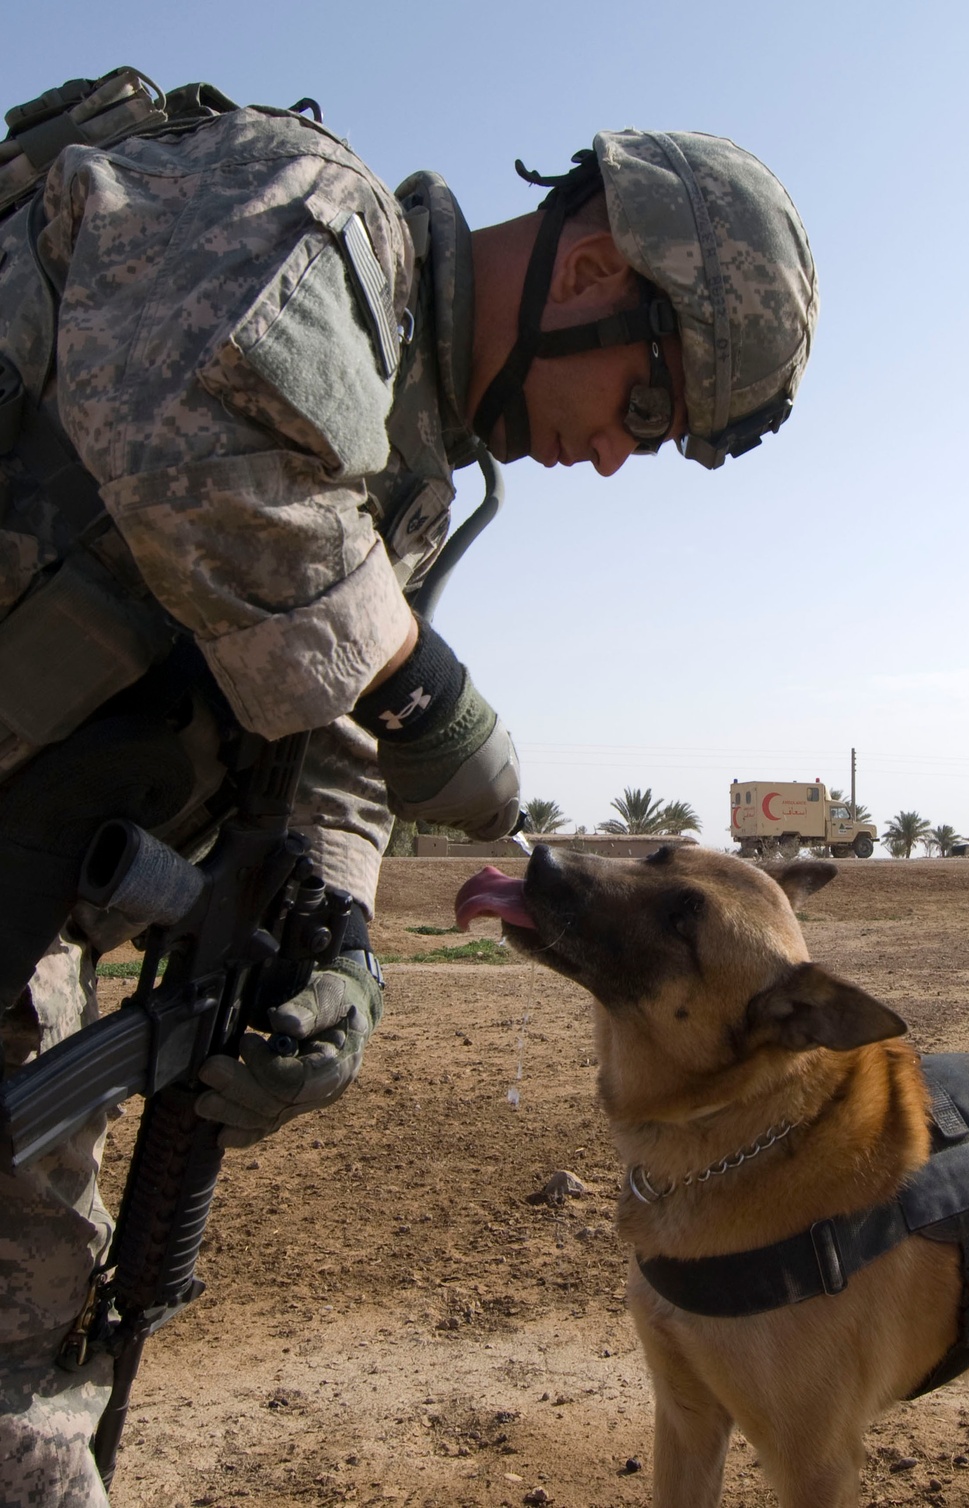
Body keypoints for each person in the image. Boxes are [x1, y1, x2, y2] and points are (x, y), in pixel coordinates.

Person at [0, 68, 817, 1507]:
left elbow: (335, 760)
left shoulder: (413, 489)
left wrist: (342, 944)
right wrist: (428, 693)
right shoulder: (302, 217)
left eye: (659, 438)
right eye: (644, 399)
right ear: (590, 265)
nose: (618, 457)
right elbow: (193, 452)